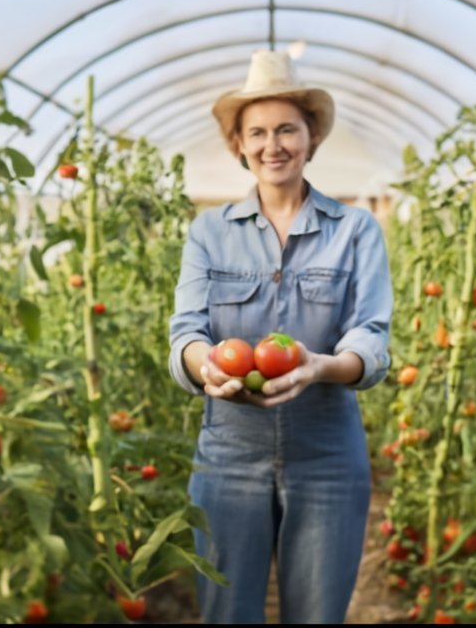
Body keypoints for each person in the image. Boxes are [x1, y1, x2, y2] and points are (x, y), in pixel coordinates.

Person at [167, 49, 393, 624]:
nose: (274, 145)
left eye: (287, 129)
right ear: (237, 144)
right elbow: (187, 333)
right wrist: (207, 368)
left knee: (317, 614)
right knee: (227, 612)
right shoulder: (209, 232)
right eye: (258, 132)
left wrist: (321, 366)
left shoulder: (356, 231)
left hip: (328, 454)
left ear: (311, 138)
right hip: (228, 453)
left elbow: (370, 337)